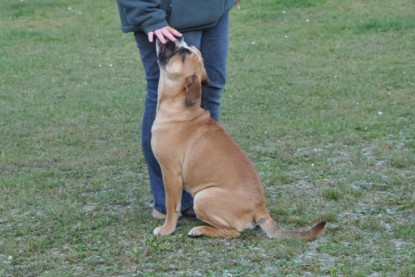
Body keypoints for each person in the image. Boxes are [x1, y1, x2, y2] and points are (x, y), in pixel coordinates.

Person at [116, 0, 239, 218]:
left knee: (209, 88)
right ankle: (167, 203)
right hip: (166, 14)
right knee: (167, 94)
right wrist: (149, 16)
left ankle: (197, 193)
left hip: (215, 10)